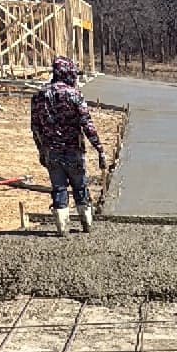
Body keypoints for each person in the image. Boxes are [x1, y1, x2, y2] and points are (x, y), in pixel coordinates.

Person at [30, 56, 106, 236]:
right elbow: (87, 125)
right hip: (73, 150)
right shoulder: (74, 95)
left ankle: (62, 228)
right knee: (80, 186)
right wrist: (100, 150)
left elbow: (35, 127)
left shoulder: (39, 96)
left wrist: (41, 150)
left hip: (52, 152)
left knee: (58, 188)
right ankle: (86, 224)